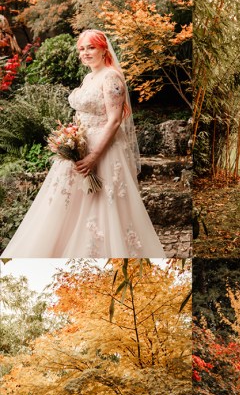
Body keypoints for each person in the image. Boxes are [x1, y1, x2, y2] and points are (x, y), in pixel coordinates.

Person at [1, 30, 166, 258]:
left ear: (103, 49)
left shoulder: (111, 78)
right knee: (66, 203)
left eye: (91, 47)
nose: (86, 53)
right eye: (82, 49)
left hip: (103, 150)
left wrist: (93, 157)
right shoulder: (89, 77)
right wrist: (70, 140)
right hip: (80, 146)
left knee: (101, 205)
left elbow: (115, 120)